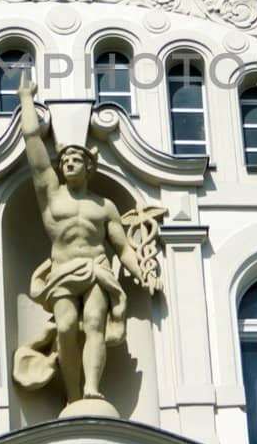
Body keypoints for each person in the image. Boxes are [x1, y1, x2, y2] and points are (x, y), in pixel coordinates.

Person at [12, 79, 161, 408]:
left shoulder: (104, 205)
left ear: (89, 166)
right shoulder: (51, 195)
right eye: (64, 160)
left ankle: (92, 388)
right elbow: (33, 143)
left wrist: (142, 272)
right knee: (66, 325)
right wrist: (25, 99)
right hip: (64, 271)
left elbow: (122, 248)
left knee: (94, 324)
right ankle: (73, 394)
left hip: (97, 270)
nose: (68, 163)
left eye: (76, 160)